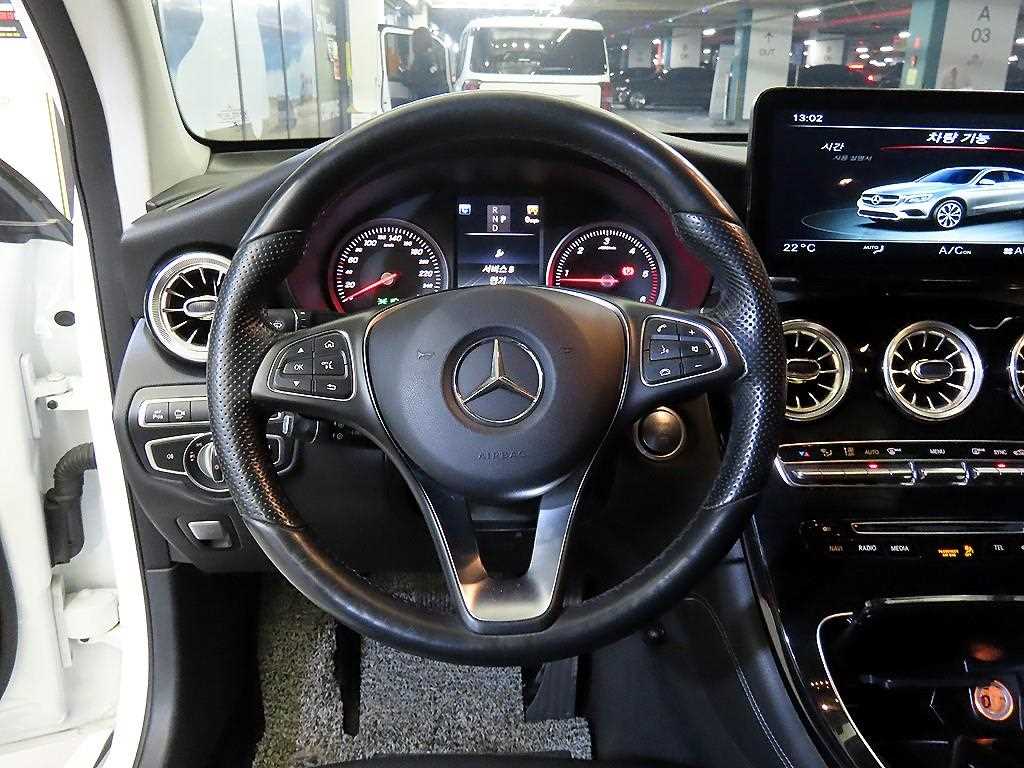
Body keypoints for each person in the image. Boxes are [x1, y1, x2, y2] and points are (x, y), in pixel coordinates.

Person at [403, 27, 448, 100]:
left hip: (427, 99)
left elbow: (415, 81)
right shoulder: (434, 55)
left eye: (414, 41)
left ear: (418, 42)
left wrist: (404, 72)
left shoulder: (422, 59)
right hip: (435, 98)